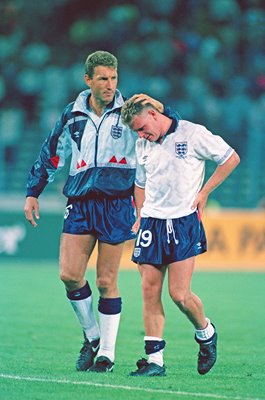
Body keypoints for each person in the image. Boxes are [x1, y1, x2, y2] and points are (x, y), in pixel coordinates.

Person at [24, 50, 176, 374]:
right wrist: (32, 192)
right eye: (103, 79)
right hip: (79, 202)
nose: (109, 85)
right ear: (88, 80)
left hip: (117, 203)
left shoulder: (129, 112)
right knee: (69, 275)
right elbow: (52, 153)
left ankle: (106, 355)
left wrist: (160, 110)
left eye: (114, 78)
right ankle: (92, 336)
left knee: (107, 281)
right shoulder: (72, 115)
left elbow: (163, 130)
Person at [121, 96, 240, 377]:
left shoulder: (192, 133)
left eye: (142, 128)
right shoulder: (143, 144)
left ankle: (206, 333)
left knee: (179, 294)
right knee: (149, 289)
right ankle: (155, 361)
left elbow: (230, 158)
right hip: (152, 222)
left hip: (183, 221)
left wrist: (205, 192)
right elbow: (140, 183)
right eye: (136, 132)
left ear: (152, 114)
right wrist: (140, 215)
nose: (141, 135)